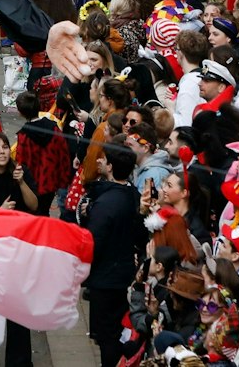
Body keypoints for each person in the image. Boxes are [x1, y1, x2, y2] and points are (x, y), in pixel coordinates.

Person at [72, 142, 149, 367]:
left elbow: (94, 242)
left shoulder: (107, 203)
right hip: (122, 274)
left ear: (111, 167)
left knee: (108, 338)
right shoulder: (131, 196)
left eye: (103, 159)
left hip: (106, 280)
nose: (98, 160)